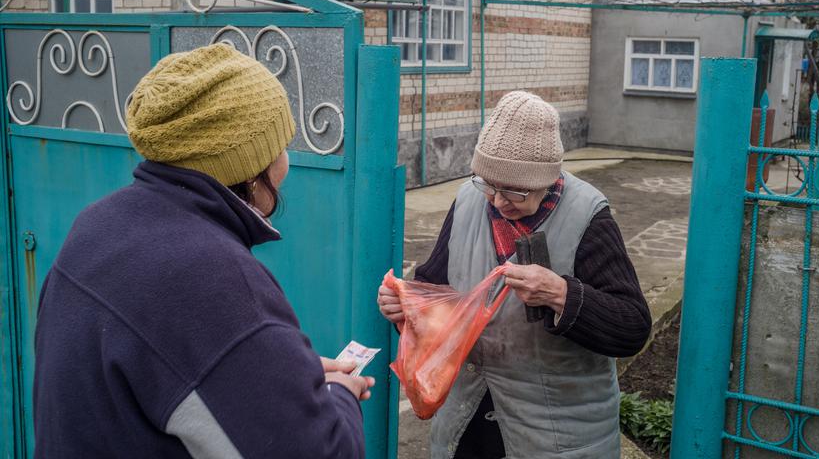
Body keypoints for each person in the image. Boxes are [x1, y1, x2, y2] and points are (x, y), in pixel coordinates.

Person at [33, 44, 372, 458]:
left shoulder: (95, 226)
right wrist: (339, 394)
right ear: (249, 168)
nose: (286, 162)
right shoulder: (214, 279)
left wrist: (283, 373)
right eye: (279, 145)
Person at [378, 91, 652, 459]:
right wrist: (407, 306)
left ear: (546, 180)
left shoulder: (588, 217)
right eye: (487, 183)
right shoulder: (468, 201)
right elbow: (435, 288)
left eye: (513, 191)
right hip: (468, 423)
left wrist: (561, 294)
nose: (497, 201)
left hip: (556, 438)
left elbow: (632, 327)